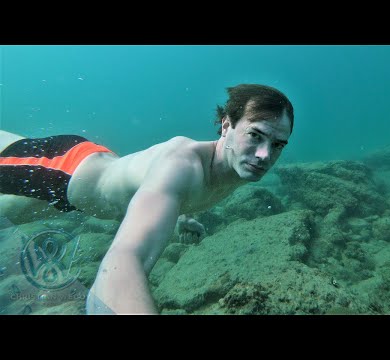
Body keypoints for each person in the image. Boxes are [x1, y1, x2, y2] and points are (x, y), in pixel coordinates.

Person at [0, 83, 294, 314]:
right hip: (62, 169)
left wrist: (182, 214)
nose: (265, 155)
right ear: (227, 125)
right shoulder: (181, 163)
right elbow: (122, 262)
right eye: (255, 135)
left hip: (76, 190)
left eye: (277, 144)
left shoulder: (238, 167)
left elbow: (170, 193)